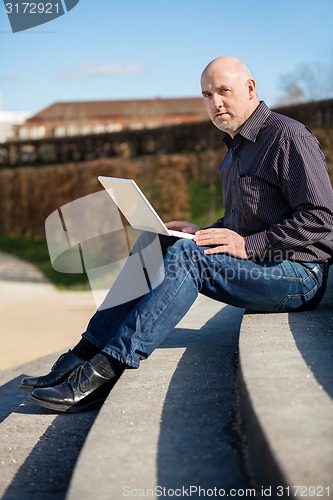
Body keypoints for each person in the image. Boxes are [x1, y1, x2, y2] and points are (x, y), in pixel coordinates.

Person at [21, 56, 333, 413]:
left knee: (188, 258)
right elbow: (245, 220)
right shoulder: (233, 152)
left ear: (250, 89)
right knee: (158, 241)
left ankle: (105, 372)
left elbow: (321, 217)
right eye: (207, 94)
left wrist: (248, 245)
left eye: (224, 91)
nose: (215, 103)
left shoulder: (287, 136)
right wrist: (203, 232)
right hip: (263, 265)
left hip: (299, 274)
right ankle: (83, 354)